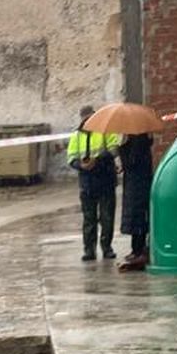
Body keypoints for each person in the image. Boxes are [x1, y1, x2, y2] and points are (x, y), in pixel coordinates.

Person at [67, 109, 119, 261]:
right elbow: (71, 158)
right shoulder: (76, 136)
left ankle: (107, 248)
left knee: (107, 217)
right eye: (86, 119)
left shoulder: (105, 132)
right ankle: (89, 250)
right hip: (87, 183)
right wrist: (81, 165)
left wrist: (97, 160)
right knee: (89, 219)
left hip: (105, 180)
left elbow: (114, 150)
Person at [118, 132, 153, 272]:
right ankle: (136, 249)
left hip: (137, 184)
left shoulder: (137, 141)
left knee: (137, 217)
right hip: (137, 183)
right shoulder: (142, 140)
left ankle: (138, 250)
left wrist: (121, 147)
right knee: (137, 217)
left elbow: (130, 162)